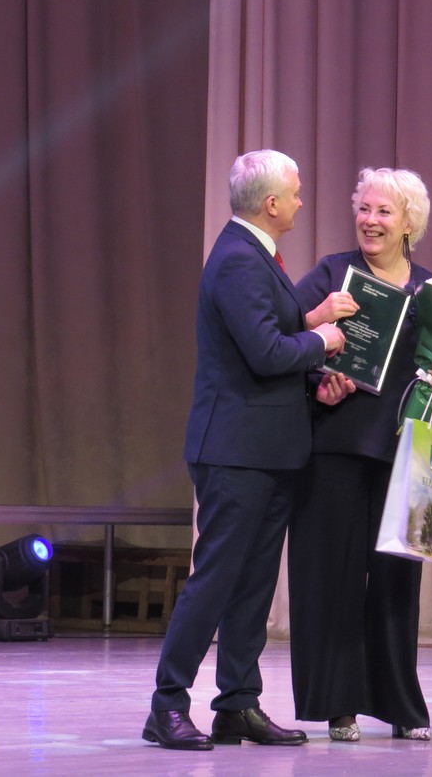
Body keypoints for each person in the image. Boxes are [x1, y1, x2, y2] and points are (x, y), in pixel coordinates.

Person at [144, 149, 352, 752]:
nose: (301, 202)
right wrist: (321, 339)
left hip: (269, 448)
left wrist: (309, 330)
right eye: (296, 193)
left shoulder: (255, 254)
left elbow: (265, 339)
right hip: (236, 449)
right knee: (215, 580)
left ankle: (237, 703)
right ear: (271, 203)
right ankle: (167, 704)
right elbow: (265, 353)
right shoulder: (239, 258)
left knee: (254, 585)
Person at [288, 167, 432, 742]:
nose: (370, 220)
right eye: (364, 208)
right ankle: (337, 704)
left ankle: (400, 705)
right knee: (331, 579)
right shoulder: (332, 274)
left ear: (410, 223)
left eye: (384, 211)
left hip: (416, 456)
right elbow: (284, 339)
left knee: (397, 585)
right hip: (334, 448)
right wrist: (317, 378)